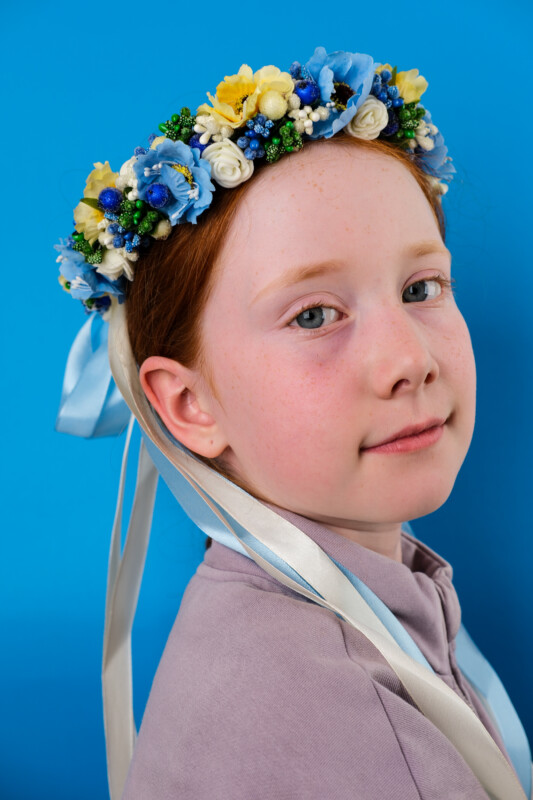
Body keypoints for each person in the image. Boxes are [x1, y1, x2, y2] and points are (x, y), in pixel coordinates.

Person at [55, 48, 532, 800]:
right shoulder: (341, 725)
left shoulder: (288, 622)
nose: (408, 360)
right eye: (313, 314)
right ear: (189, 406)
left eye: (421, 286)